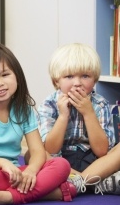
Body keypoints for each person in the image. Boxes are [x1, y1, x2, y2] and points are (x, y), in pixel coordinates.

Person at [0, 43, 75, 205]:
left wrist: (31, 170)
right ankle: (45, 193)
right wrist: (4, 164)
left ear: (17, 76)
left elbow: (37, 151)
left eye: (5, 74)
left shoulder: (24, 110)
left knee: (61, 165)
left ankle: (6, 197)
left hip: (16, 173)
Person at [36, 43, 120, 195]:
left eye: (85, 76)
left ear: (94, 80)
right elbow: (50, 149)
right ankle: (94, 183)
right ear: (56, 81)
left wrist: (89, 113)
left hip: (94, 161)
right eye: (69, 76)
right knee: (33, 154)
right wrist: (63, 116)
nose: (77, 83)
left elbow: (102, 151)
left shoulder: (100, 104)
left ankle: (78, 182)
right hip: (61, 161)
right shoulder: (49, 105)